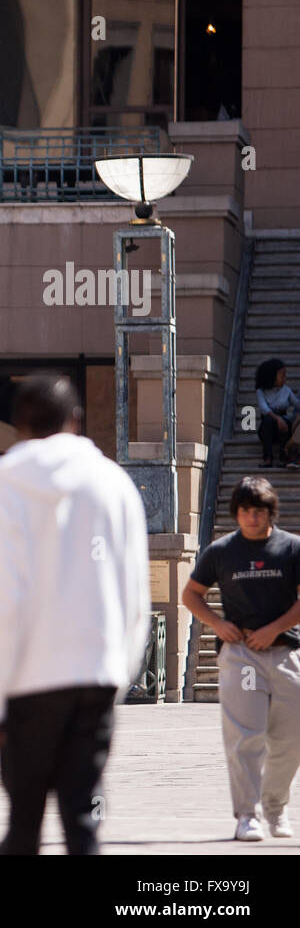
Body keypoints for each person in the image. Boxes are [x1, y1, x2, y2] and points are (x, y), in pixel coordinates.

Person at [0, 374, 150, 855]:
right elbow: (136, 596)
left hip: (28, 684)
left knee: (22, 827)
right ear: (76, 420)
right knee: (82, 820)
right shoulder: (114, 484)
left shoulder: (3, 487)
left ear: (17, 424)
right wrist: (118, 673)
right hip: (95, 676)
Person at [182, 475, 300, 842]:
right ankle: (247, 815)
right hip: (241, 657)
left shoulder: (292, 548)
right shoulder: (220, 551)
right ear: (237, 513)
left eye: (259, 511)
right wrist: (217, 624)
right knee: (246, 737)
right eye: (246, 511)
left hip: (284, 651)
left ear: (270, 512)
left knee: (290, 738)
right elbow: (191, 595)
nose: (252, 517)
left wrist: (274, 628)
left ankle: (276, 809)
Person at [254, 358, 300, 468]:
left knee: (287, 423)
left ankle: (284, 456)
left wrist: (281, 420)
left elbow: (297, 404)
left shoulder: (286, 390)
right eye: (282, 376)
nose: (284, 379)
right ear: (272, 377)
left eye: (285, 376)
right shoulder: (261, 391)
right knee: (268, 422)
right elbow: (264, 408)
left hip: (284, 425)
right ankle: (268, 458)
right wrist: (277, 419)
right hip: (268, 426)